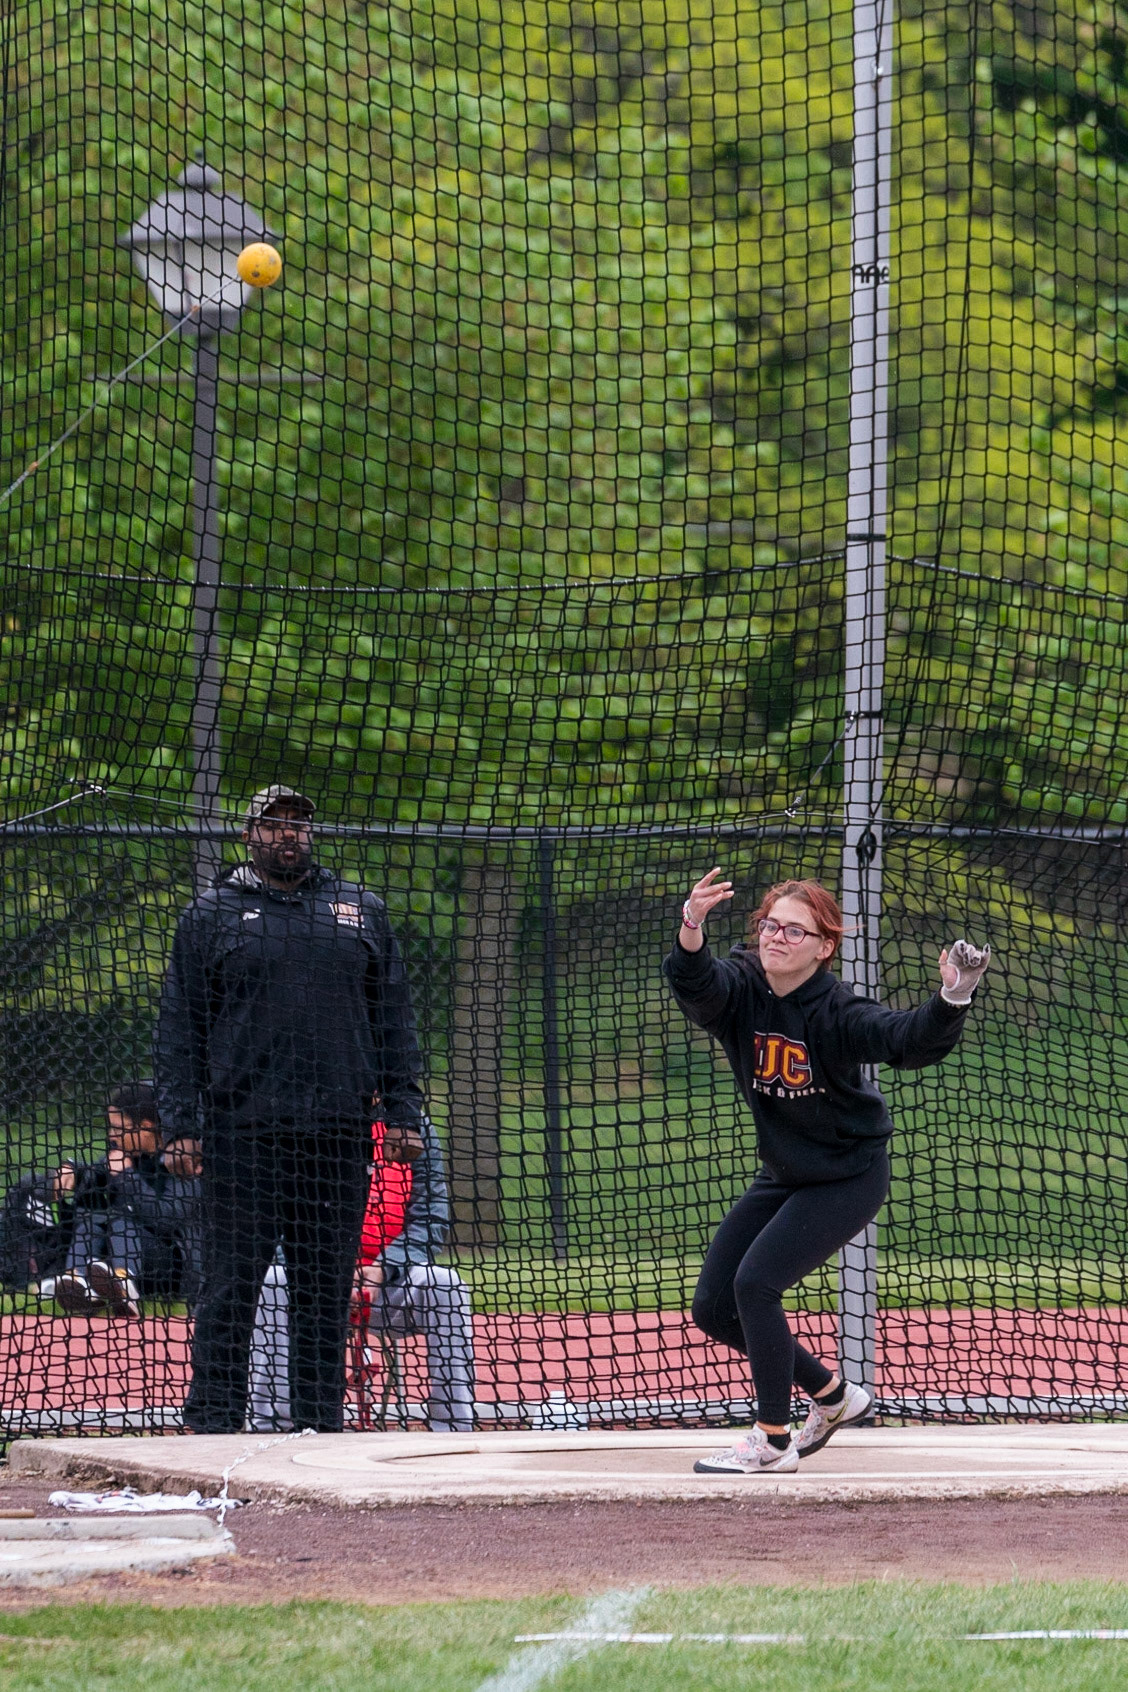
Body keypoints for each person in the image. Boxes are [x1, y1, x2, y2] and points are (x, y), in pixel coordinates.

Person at [664, 870, 989, 1475]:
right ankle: (834, 1397)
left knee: (755, 1284)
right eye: (770, 925)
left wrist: (953, 996)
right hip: (785, 1172)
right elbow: (696, 984)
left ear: (824, 947)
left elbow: (905, 1040)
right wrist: (692, 924)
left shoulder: (838, 1010)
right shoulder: (742, 987)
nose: (776, 937)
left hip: (847, 1175)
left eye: (795, 931)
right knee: (713, 1307)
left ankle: (772, 1440)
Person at [155, 784, 425, 1433]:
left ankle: (318, 1425)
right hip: (241, 1134)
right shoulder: (211, 914)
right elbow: (179, 1032)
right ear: (249, 834)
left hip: (338, 1132)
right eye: (273, 824)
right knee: (230, 1286)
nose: (288, 834)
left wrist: (404, 1112)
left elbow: (395, 1020)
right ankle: (213, 1422)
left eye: (299, 823)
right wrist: (180, 1127)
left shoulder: (359, 909)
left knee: (323, 1290)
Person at [248, 1115, 474, 1432]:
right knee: (273, 1282)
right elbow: (279, 1221)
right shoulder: (304, 1115)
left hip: (391, 1282)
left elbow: (430, 1221)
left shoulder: (411, 1126)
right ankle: (272, 1428)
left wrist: (382, 1268)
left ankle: (453, 1429)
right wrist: (330, 1270)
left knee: (446, 1286)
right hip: (312, 1279)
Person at [52, 1082, 202, 1319]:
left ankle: (124, 1285)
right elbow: (96, 1171)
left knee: (122, 1223)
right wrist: (73, 1170)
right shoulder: (126, 1153)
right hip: (126, 1254)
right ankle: (79, 1285)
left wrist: (127, 1177)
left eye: (118, 1128)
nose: (112, 1135)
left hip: (170, 1266)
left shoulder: (182, 1161)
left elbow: (167, 1219)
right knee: (91, 1225)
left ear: (146, 1127)